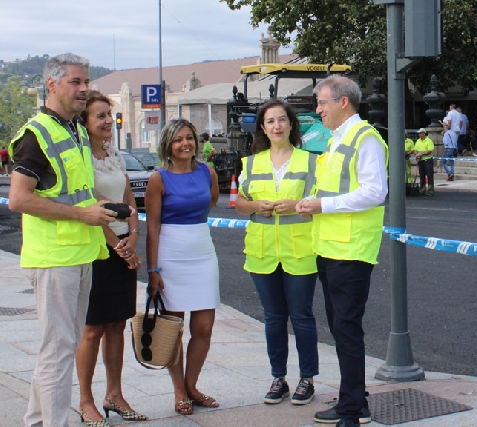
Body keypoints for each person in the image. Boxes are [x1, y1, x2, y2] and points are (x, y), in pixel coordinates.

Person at [8, 53, 116, 427]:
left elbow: (71, 192)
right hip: (55, 257)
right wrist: (82, 214)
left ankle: (38, 422)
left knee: (58, 349)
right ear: (52, 85)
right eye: (75, 82)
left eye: (86, 81)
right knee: (58, 352)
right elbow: (19, 199)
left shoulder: (72, 129)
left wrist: (99, 205)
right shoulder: (36, 134)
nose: (84, 88)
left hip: (79, 253)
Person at [296, 75, 388, 427]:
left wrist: (322, 206)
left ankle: (351, 410)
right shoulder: (337, 140)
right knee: (340, 327)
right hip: (332, 247)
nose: (318, 110)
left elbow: (375, 192)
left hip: (351, 249)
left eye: (321, 103)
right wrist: (308, 204)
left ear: (343, 102)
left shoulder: (364, 138)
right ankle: (354, 399)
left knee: (346, 329)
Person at [235, 100, 320, 406]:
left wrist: (297, 206)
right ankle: (279, 378)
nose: (277, 126)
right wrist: (258, 206)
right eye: (271, 121)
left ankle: (307, 377)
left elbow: (321, 201)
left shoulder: (311, 161)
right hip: (262, 250)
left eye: (282, 120)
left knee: (301, 316)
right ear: (263, 128)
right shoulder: (252, 163)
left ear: (291, 124)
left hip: (300, 249)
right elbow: (241, 203)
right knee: (273, 318)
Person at [74, 90, 146, 426]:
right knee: (92, 329)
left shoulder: (113, 152)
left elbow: (128, 197)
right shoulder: (81, 156)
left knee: (117, 324)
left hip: (121, 245)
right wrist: (117, 245)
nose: (107, 121)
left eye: (108, 115)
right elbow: (90, 202)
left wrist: (132, 236)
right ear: (84, 122)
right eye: (99, 116)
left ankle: (114, 394)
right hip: (97, 249)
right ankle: (85, 400)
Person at [145, 119, 221, 416]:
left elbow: (210, 202)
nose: (185, 144)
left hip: (203, 251)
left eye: (189, 138)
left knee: (204, 327)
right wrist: (153, 270)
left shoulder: (207, 172)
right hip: (170, 255)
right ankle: (179, 392)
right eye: (178, 140)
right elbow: (152, 225)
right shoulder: (158, 178)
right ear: (168, 145)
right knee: (172, 329)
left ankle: (192, 386)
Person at [414, 128, 434, 196]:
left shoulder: (429, 141)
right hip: (421, 160)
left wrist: (421, 154)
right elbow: (415, 149)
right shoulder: (418, 141)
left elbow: (430, 150)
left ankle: (430, 190)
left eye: (420, 133)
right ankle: (422, 189)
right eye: (419, 133)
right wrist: (416, 154)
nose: (419, 134)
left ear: (424, 133)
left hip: (427, 160)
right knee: (422, 175)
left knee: (429, 175)